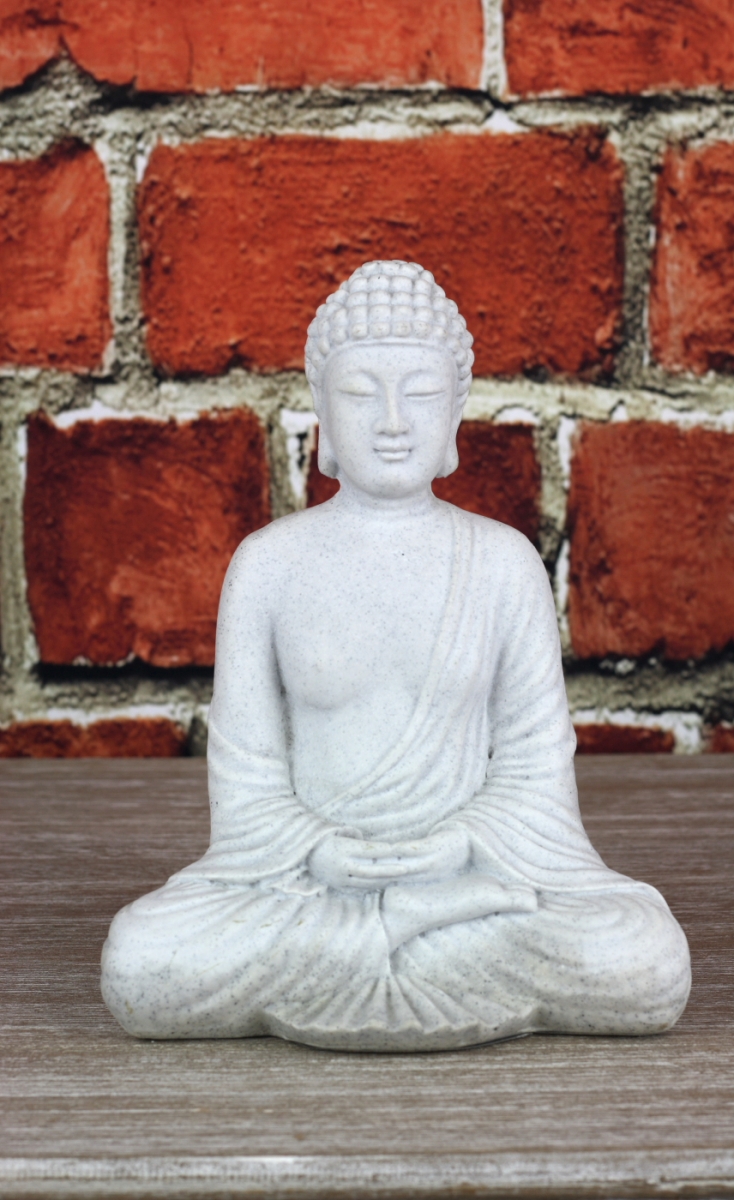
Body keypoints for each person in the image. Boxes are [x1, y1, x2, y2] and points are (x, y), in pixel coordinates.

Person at [102, 261, 690, 1051]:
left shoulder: (502, 563)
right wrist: (320, 851)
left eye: (419, 394)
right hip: (310, 882)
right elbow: (247, 785)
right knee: (144, 958)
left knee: (641, 955)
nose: (391, 421)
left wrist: (457, 846)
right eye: (359, 393)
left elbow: (533, 770)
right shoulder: (268, 565)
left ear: (454, 416)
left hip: (468, 875)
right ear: (322, 414)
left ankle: (393, 934)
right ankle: (402, 930)